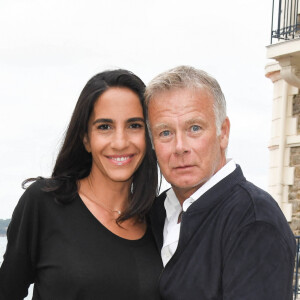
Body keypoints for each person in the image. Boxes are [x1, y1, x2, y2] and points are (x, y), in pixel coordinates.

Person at [0, 69, 163, 300]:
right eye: (104, 126)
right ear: (86, 138)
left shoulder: (160, 222)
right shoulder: (45, 204)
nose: (120, 142)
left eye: (134, 125)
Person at [145, 65, 296, 300]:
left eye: (194, 128)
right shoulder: (155, 212)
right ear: (152, 142)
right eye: (165, 132)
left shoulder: (254, 220)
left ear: (223, 132)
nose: (180, 147)